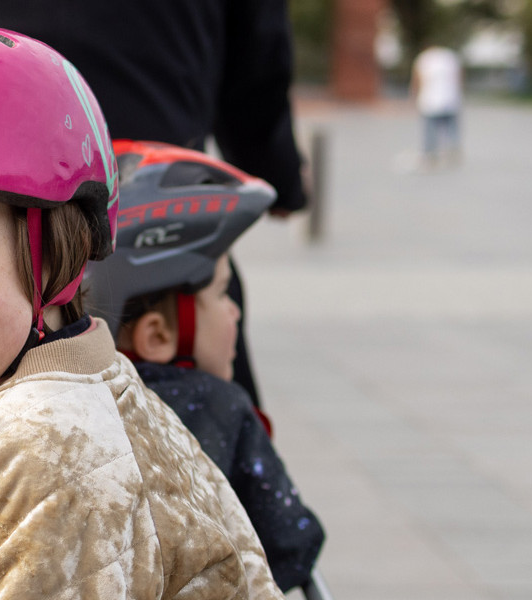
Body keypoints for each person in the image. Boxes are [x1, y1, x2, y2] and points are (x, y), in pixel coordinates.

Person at [0, 3, 307, 596]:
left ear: (58, 254)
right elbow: (257, 55)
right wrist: (277, 166)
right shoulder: (106, 386)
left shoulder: (38, 452)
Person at [85, 140, 327, 592]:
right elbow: (290, 544)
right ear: (157, 336)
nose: (234, 311)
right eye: (220, 294)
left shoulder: (62, 404)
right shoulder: (221, 406)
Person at [411, 45, 464, 169]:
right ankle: (452, 151)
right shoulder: (450, 57)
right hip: (450, 99)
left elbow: (418, 80)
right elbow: (459, 78)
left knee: (430, 130)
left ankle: (431, 155)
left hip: (430, 100)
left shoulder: (424, 59)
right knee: (451, 128)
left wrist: (413, 96)